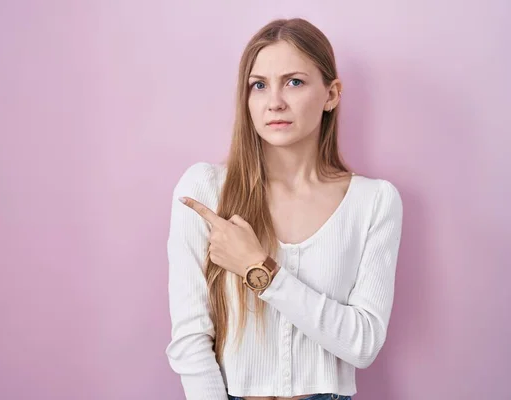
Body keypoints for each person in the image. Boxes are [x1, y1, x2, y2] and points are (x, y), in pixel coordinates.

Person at [165, 17, 403, 400]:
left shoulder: (374, 201)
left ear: (331, 94)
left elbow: (363, 344)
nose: (274, 101)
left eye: (294, 82)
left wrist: (259, 270)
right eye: (259, 85)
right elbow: (190, 339)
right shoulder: (206, 189)